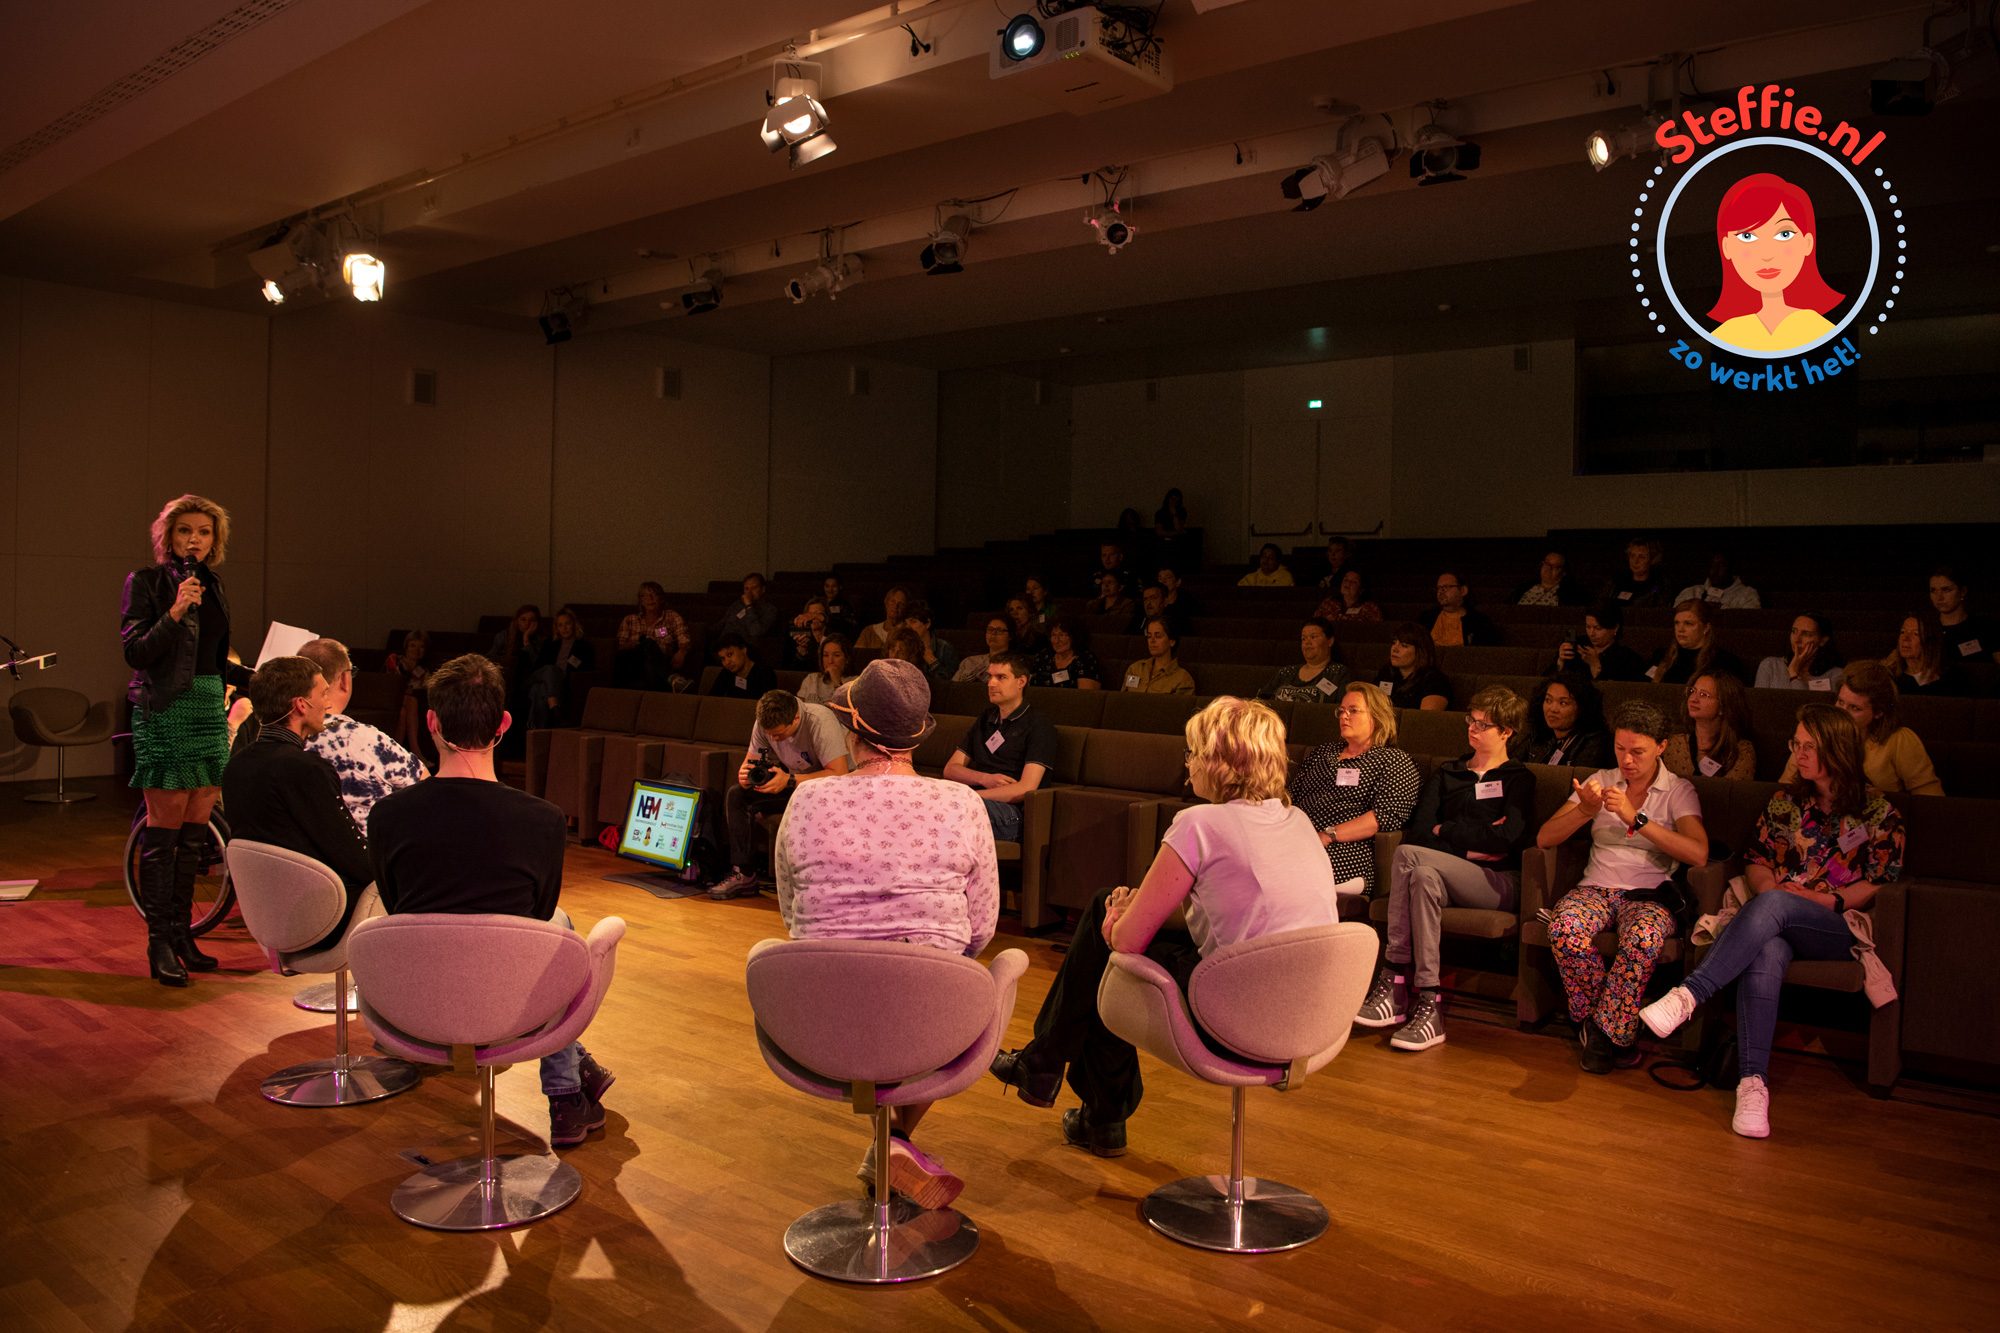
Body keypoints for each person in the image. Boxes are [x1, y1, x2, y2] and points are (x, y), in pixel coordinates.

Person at [988, 698, 1340, 1156]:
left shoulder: (1200, 823)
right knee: (1110, 936)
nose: (1187, 762)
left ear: (1220, 761)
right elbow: (1223, 914)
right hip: (1311, 1018)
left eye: (1192, 751)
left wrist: (1119, 916)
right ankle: (1074, 1093)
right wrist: (1135, 913)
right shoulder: (1298, 821)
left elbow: (1127, 940)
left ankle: (1060, 1076)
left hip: (1240, 1017)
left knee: (1104, 944)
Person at [774, 658, 999, 1208]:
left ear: (853, 731)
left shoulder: (806, 799)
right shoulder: (963, 804)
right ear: (915, 738)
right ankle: (896, 1139)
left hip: (816, 1023)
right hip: (929, 1022)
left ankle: (889, 1146)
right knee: (956, 984)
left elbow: (790, 911)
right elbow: (982, 927)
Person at [366, 654, 613, 1148]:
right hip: (512, 1008)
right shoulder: (545, 820)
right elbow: (539, 915)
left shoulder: (387, 816)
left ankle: (573, 1080)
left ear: (431, 722)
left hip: (416, 1005)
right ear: (504, 724)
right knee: (559, 927)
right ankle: (565, 1095)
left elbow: (396, 908)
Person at [1640, 704, 1905, 1138]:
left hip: (1835, 924)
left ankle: (1689, 996)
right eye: (1794, 744)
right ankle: (1752, 1085)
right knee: (1768, 939)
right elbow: (1758, 862)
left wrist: (1825, 899)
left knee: (1776, 907)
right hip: (1774, 917)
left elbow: (1880, 881)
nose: (1798, 753)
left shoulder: (1879, 812)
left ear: (1837, 749)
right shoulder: (1786, 802)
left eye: (1808, 746)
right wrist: (1769, 892)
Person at [122, 494, 255, 986]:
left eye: (203, 531)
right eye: (184, 531)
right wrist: (175, 612)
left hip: (206, 708)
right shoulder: (147, 583)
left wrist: (258, 679)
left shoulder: (214, 586)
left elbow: (214, 661)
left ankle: (182, 935)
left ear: (214, 540)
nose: (193, 539)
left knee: (197, 831)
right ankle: (159, 942)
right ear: (168, 537)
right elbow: (136, 652)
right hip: (165, 708)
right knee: (165, 831)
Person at [1536, 700, 1708, 1073]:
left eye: (1637, 751)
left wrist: (1637, 818)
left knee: (1644, 938)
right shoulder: (1603, 780)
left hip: (1649, 894)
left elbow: (1698, 854)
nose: (1627, 760)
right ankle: (1616, 1031)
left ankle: (1596, 1030)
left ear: (1661, 747)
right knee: (1564, 927)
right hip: (1596, 888)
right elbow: (1545, 837)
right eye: (1620, 749)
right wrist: (1584, 810)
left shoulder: (1678, 790)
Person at [1362, 686, 1536, 1051]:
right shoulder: (1449, 773)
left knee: (1409, 856)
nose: (1473, 728)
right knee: (1422, 874)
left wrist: (1450, 832)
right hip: (1449, 873)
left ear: (1507, 732)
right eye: (1470, 720)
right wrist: (1472, 848)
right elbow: (1424, 831)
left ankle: (1393, 975)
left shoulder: (1518, 778)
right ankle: (1429, 1000)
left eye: (1484, 724)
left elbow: (1507, 839)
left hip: (1499, 882)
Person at [223, 656, 373, 957]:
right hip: (320, 918)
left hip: (267, 918)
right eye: (322, 694)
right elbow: (355, 860)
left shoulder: (235, 766)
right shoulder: (307, 770)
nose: (328, 705)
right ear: (301, 705)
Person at [708, 690, 853, 900]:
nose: (774, 739)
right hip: (793, 783)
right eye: (770, 735)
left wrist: (791, 780)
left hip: (829, 792)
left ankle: (814, 883)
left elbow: (839, 774)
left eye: (779, 735)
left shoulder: (819, 720)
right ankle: (744, 875)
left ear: (795, 718)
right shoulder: (763, 724)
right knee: (737, 795)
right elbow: (750, 763)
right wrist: (746, 776)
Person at [1287, 682, 1422, 897]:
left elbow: (1386, 816)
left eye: (1353, 711)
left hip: (1345, 849)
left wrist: (1328, 835)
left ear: (1377, 717)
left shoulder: (1393, 761)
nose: (1344, 716)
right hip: (1298, 840)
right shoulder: (1323, 753)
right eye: (1341, 711)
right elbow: (1291, 797)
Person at [1704, 172, 1845, 354]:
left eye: (1784, 234)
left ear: (1807, 243)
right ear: (1727, 247)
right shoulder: (1726, 336)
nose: (1766, 254)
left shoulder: (1822, 331)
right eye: (1747, 236)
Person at [297, 638, 426, 827]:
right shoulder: (366, 740)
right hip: (364, 853)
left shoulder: (275, 736)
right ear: (344, 680)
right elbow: (426, 788)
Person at [1780, 660, 1943, 796]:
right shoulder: (1814, 733)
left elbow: (1929, 799)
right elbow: (1785, 788)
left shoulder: (1900, 740)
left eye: (1854, 708)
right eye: (1840, 702)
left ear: (1878, 712)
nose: (1841, 712)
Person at [942, 653, 1056, 842]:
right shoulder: (987, 718)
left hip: (1012, 814)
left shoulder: (1038, 725)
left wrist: (971, 797)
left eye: (1001, 677)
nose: (991, 684)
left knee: (946, 813)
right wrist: (984, 778)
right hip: (977, 801)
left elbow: (1026, 788)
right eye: (990, 676)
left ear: (1021, 682)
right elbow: (951, 769)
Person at [1664, 673, 1757, 781]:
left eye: (1703, 695)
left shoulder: (1741, 750)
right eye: (1692, 691)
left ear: (1723, 706)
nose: (1693, 699)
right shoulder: (1676, 744)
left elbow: (1734, 795)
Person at [489, 604, 545, 757]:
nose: (527, 624)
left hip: (528, 681)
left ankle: (536, 739)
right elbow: (491, 659)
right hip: (506, 679)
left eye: (532, 620)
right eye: (523, 620)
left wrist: (527, 641)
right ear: (517, 621)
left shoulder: (540, 641)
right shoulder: (503, 637)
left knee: (539, 689)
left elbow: (536, 665)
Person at [1523, 673, 1611, 769]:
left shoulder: (1595, 742)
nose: (1552, 709)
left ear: (1582, 708)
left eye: (1563, 703)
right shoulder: (1539, 735)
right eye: (1548, 700)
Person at [613, 582, 691, 691]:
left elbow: (683, 637)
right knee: (648, 644)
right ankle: (672, 679)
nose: (650, 598)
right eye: (646, 595)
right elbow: (618, 648)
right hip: (632, 663)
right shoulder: (630, 620)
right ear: (641, 601)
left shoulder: (671, 617)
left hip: (660, 661)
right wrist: (632, 646)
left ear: (662, 599)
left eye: (655, 595)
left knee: (649, 665)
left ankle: (651, 702)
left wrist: (682, 652)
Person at [1651, 599, 1748, 686]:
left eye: (1688, 623)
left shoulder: (1725, 661)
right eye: (1677, 623)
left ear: (1706, 627)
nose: (1680, 629)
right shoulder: (1661, 655)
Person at [527, 606, 596, 727]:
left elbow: (586, 670)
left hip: (561, 684)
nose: (564, 628)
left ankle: (537, 730)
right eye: (560, 625)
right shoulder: (550, 644)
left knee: (540, 690)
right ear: (556, 628)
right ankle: (554, 704)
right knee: (551, 669)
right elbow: (539, 666)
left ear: (574, 625)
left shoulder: (583, 647)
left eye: (567, 624)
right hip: (541, 676)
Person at [1551, 600, 1649, 682]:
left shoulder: (1628, 659)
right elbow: (1547, 681)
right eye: (1588, 627)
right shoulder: (1576, 645)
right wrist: (1560, 662)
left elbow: (1618, 693)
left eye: (1598, 628)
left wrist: (1596, 668)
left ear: (1615, 628)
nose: (1591, 633)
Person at [1259, 618, 1351, 705]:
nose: (1307, 642)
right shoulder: (1286, 672)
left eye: (1313, 637)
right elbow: (1261, 701)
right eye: (1304, 638)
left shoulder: (1339, 674)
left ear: (1330, 641)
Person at [1882, 610, 1967, 697]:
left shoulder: (1949, 679)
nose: (1905, 638)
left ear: (1930, 640)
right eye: (1903, 632)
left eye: (1915, 634)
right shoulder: (1892, 679)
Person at [1929, 565, 2000, 666]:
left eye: (1946, 590)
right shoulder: (1927, 630)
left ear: (1962, 592)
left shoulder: (1985, 628)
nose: (1939, 597)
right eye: (1933, 591)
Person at [1754, 613, 1844, 693]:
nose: (1797, 640)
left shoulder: (1836, 675)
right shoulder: (1770, 665)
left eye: (1806, 634)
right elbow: (1758, 705)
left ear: (1822, 641)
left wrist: (1794, 673)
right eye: (1794, 631)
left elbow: (1807, 709)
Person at [1375, 624, 1452, 711]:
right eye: (1394, 643)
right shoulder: (1386, 673)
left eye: (1404, 645)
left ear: (1420, 651)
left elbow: (1425, 719)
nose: (1394, 649)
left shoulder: (1435, 681)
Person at [1420, 570, 1500, 647]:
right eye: (1439, 587)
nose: (1441, 591)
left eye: (1446, 587)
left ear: (1463, 590)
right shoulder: (1426, 618)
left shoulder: (1480, 622)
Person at [1121, 616, 1195, 694]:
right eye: (1149, 636)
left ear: (1172, 641)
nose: (1152, 641)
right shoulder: (1135, 669)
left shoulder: (1182, 679)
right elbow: (1123, 700)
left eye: (1158, 636)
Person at [387, 628, 432, 752]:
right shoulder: (395, 661)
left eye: (421, 647)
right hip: (391, 699)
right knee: (410, 702)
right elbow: (391, 684)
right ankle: (415, 751)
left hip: (408, 704)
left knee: (403, 713)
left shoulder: (424, 671)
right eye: (413, 645)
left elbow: (424, 690)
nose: (416, 650)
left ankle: (396, 753)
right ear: (406, 647)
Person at [1031, 618, 1102, 689]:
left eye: (1061, 635)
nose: (1056, 640)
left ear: (1074, 637)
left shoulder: (1086, 659)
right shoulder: (1044, 655)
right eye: (1053, 635)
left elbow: (1086, 695)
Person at [1600, 536, 1670, 607]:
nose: (1635, 561)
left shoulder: (1658, 586)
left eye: (1641, 557)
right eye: (1632, 556)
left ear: (1652, 560)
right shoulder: (1617, 581)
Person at [1675, 553, 1761, 610]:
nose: (1715, 570)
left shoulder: (1748, 594)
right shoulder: (1691, 592)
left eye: (1721, 565)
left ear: (1732, 568)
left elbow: (1749, 621)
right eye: (1712, 565)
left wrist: (1721, 608)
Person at [902, 599, 959, 684]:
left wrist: (932, 662)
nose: (908, 627)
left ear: (927, 623)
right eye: (906, 623)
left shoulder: (944, 648)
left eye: (913, 622)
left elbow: (952, 683)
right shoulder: (902, 646)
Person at [706, 634, 777, 699]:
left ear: (743, 649)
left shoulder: (765, 673)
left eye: (729, 655)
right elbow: (712, 699)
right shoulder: (726, 673)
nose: (727, 662)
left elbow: (767, 707)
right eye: (722, 658)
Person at [1515, 551, 1588, 607]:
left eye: (1555, 566)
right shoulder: (1523, 588)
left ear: (1563, 572)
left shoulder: (1571, 595)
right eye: (1547, 563)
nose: (1549, 568)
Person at [795, 634, 851, 707]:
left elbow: (846, 711)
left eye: (836, 655)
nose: (830, 661)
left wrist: (836, 681)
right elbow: (798, 709)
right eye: (826, 655)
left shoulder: (854, 682)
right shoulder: (811, 679)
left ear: (846, 659)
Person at [953, 617, 1014, 683]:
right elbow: (952, 686)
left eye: (999, 630)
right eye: (990, 629)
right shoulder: (969, 662)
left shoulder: (1015, 664)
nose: (993, 633)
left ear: (1010, 636)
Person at [1315, 568, 1382, 623]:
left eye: (1354, 582)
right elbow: (1314, 623)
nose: (1348, 583)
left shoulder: (1370, 608)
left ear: (1361, 590)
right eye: (1346, 580)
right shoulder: (1329, 603)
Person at [855, 587, 910, 651]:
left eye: (901, 603)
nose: (896, 606)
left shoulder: (909, 633)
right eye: (893, 601)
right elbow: (858, 654)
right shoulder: (869, 632)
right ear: (886, 603)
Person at [785, 597, 832, 670]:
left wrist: (814, 615)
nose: (812, 618)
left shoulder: (833, 633)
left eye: (818, 614)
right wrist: (802, 652)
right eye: (810, 614)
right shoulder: (804, 636)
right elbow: (795, 670)